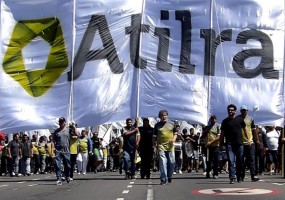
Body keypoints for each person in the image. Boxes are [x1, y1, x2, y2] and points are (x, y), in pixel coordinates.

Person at [219, 104, 250, 184]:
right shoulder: (225, 121)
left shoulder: (239, 119)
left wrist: (248, 139)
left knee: (240, 161)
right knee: (231, 161)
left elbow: (245, 129)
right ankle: (232, 177)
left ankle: (239, 176)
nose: (230, 111)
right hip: (229, 144)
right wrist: (221, 144)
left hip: (239, 144)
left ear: (235, 111)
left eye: (232, 110)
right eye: (229, 110)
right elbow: (222, 134)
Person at [153, 110, 177, 185]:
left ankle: (169, 176)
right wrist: (154, 146)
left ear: (167, 116)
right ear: (160, 117)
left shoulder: (172, 124)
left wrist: (173, 139)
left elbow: (175, 134)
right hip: (161, 146)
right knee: (162, 162)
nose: (164, 117)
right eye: (162, 116)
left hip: (170, 146)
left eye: (165, 115)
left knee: (172, 162)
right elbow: (154, 137)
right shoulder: (157, 125)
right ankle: (163, 178)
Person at [239, 105, 260, 182]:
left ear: (247, 111)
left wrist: (257, 140)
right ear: (240, 111)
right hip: (240, 143)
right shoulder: (238, 118)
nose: (244, 111)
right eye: (242, 110)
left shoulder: (250, 119)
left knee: (251, 159)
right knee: (241, 160)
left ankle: (253, 176)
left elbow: (254, 131)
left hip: (250, 142)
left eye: (245, 110)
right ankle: (241, 175)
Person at [53, 117, 74, 185]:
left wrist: (73, 126)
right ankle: (58, 179)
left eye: (62, 122)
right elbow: (53, 141)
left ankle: (67, 175)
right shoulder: (56, 131)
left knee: (67, 165)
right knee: (58, 165)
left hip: (66, 150)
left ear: (65, 122)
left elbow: (77, 134)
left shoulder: (68, 130)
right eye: (60, 122)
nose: (61, 123)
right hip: (58, 150)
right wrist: (53, 148)